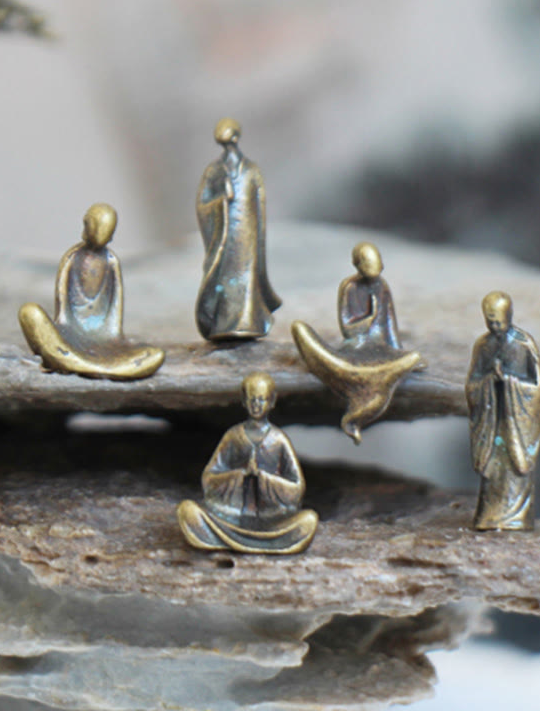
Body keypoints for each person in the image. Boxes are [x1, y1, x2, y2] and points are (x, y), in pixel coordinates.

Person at [291, 242, 424, 444]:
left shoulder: (382, 286)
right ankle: (359, 402)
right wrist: (369, 319)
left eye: (377, 268)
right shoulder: (350, 287)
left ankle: (362, 405)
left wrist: (397, 350)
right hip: (357, 344)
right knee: (348, 364)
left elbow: (389, 324)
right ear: (358, 265)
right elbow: (349, 328)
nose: (374, 274)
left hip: (380, 345)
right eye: (368, 267)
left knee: (408, 359)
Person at [18, 203, 164, 380]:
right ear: (86, 226)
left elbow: (114, 309)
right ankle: (77, 359)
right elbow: (63, 307)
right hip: (70, 336)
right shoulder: (73, 257)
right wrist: (67, 330)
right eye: (95, 227)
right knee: (30, 312)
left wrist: (113, 337)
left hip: (107, 341)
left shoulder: (111, 261)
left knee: (154, 354)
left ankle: (80, 363)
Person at [177, 372, 318, 554]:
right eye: (252, 400)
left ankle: (239, 541)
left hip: (271, 521)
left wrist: (263, 478)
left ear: (272, 401)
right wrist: (240, 475)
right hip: (230, 518)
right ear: (243, 400)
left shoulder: (278, 440)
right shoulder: (233, 436)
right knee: (188, 510)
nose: (256, 405)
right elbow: (208, 478)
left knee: (308, 520)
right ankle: (245, 540)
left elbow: (297, 488)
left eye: (261, 400)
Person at [195, 118, 281, 340]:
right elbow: (202, 204)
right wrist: (220, 202)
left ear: (236, 137)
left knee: (247, 274)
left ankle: (248, 321)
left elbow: (259, 204)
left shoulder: (251, 170)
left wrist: (257, 233)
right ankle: (224, 323)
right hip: (225, 235)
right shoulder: (214, 171)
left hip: (247, 233)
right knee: (226, 277)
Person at [466, 291, 540, 531]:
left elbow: (537, 387)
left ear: (509, 315)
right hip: (493, 422)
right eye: (490, 322)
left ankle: (517, 516)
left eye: (499, 321)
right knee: (493, 469)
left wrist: (510, 383)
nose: (495, 327)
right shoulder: (483, 345)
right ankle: (489, 516)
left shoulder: (524, 344)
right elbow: (472, 383)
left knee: (514, 468)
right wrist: (489, 382)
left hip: (515, 426)